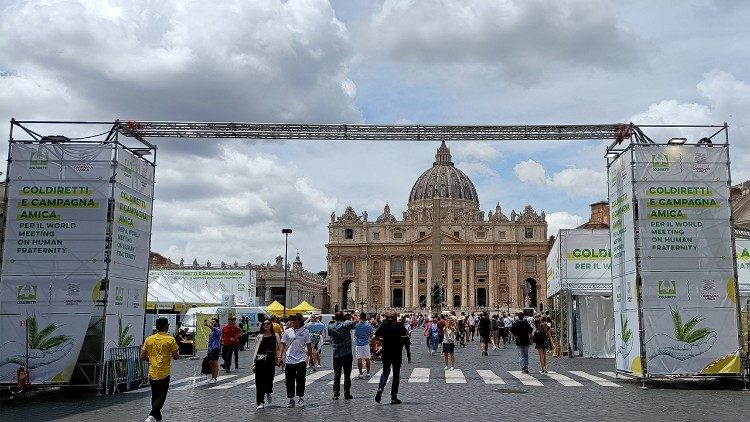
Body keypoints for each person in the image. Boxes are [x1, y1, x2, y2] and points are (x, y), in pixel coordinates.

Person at [140, 317, 178, 422]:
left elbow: (142, 356)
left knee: (155, 395)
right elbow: (175, 356)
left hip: (152, 371)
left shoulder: (149, 339)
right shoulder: (170, 339)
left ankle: (158, 418)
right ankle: (151, 415)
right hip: (164, 372)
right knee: (162, 396)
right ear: (166, 326)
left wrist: (151, 361)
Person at [374, 310, 407, 405]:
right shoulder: (399, 325)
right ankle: (393, 397)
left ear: (388, 317)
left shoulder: (383, 325)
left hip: (386, 352)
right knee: (396, 375)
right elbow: (406, 334)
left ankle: (380, 388)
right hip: (397, 353)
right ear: (396, 317)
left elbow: (374, 337)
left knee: (385, 372)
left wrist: (382, 339)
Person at [280, 313, 312, 408]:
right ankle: (291, 399)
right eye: (292, 320)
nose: (292, 322)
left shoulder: (305, 331)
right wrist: (279, 355)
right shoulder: (287, 331)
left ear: (299, 321)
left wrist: (310, 358)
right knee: (289, 380)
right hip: (289, 359)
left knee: (301, 378)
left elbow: (309, 345)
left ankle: (301, 397)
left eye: (294, 320)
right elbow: (283, 343)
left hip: (301, 359)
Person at [327, 311, 358, 400]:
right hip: (347, 353)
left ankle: (336, 393)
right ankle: (347, 393)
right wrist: (351, 315)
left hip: (336, 354)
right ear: (342, 317)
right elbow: (357, 321)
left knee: (337, 374)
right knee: (347, 375)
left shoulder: (331, 326)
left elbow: (330, 335)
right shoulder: (345, 325)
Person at [252, 320, 281, 409]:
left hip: (271, 359)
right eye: (264, 324)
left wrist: (279, 359)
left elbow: (278, 348)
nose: (266, 325)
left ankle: (268, 391)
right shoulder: (259, 336)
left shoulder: (275, 336)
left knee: (269, 378)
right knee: (259, 381)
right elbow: (256, 350)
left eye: (268, 324)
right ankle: (260, 401)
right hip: (260, 359)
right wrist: (254, 363)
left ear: (271, 325)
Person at [354, 312, 373, 378]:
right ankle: (368, 373)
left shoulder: (356, 325)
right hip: (366, 343)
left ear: (360, 317)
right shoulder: (368, 325)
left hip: (358, 343)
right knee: (367, 358)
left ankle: (361, 373)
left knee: (359, 358)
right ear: (365, 317)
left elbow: (355, 334)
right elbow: (371, 335)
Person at [204, 318, 221, 383]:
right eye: (211, 322)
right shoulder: (211, 331)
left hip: (215, 348)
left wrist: (208, 325)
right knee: (211, 363)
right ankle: (212, 377)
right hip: (210, 348)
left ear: (216, 322)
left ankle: (215, 378)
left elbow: (213, 329)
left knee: (215, 362)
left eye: (213, 322)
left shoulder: (218, 329)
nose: (212, 323)